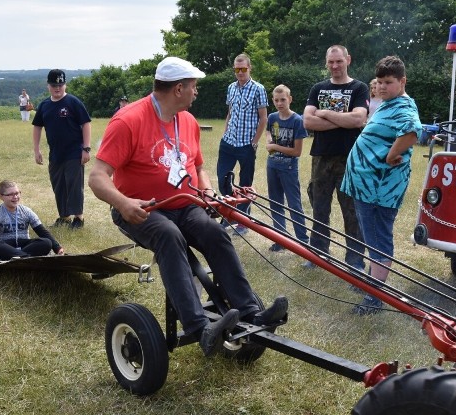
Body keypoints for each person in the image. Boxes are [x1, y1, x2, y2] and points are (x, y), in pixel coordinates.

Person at [88, 56, 288, 357]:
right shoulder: (128, 120)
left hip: (186, 203)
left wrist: (206, 190)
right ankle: (198, 327)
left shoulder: (188, 121)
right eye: (193, 87)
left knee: (216, 233)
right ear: (178, 89)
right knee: (169, 236)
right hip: (143, 209)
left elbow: (197, 166)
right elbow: (97, 177)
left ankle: (250, 313)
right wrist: (123, 202)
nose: (197, 92)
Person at [341, 55, 421, 315]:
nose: (382, 87)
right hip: (366, 186)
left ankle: (374, 298)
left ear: (402, 81)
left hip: (379, 190)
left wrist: (390, 155)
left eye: (388, 82)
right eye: (379, 82)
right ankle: (371, 285)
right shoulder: (390, 103)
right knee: (372, 236)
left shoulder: (404, 107)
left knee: (378, 240)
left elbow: (411, 132)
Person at [303, 45, 369, 270]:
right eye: (331, 62)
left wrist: (324, 113)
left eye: (339, 61)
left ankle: (355, 262)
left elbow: (358, 120)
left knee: (351, 211)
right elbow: (307, 122)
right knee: (319, 207)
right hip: (321, 157)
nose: (335, 66)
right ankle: (319, 255)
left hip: (350, 159)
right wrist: (342, 118)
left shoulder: (359, 88)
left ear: (348, 59)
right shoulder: (318, 88)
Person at [32, 69, 92, 229]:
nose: (57, 88)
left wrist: (86, 148)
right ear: (48, 86)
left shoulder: (73, 102)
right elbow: (37, 127)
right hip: (56, 154)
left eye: (60, 85)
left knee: (73, 184)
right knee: (58, 185)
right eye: (54, 85)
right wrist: (36, 150)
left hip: (74, 152)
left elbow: (86, 124)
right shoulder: (44, 105)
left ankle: (78, 218)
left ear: (65, 85)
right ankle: (64, 217)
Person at [217, 53, 268, 229]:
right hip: (228, 142)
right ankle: (228, 215)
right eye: (237, 69)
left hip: (246, 144)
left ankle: (243, 221)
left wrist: (254, 142)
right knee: (223, 179)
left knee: (245, 183)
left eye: (243, 69)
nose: (240, 72)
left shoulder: (258, 89)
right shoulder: (231, 87)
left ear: (249, 68)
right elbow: (230, 113)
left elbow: (263, 118)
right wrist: (225, 133)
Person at [264, 84, 309, 251]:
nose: (279, 103)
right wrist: (269, 139)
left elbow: (297, 152)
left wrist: (275, 146)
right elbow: (268, 131)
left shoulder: (297, 121)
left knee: (294, 205)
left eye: (283, 99)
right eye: (276, 100)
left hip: (289, 168)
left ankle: (303, 242)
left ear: (290, 99)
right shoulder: (272, 117)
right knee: (275, 203)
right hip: (272, 166)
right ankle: (280, 240)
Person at [0, 180, 65, 262]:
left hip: (24, 245)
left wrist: (57, 248)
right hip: (5, 247)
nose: (15, 197)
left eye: (17, 193)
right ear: (1, 197)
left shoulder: (26, 211)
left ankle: (20, 258)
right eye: (11, 194)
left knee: (46, 242)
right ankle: (27, 258)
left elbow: (42, 232)